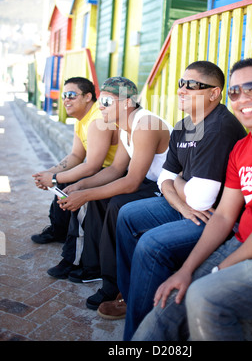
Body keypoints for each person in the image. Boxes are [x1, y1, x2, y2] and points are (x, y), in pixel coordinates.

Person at [132, 58, 252, 342]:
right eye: (235, 92)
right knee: (170, 300)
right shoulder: (241, 149)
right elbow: (222, 216)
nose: (242, 99)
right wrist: (186, 271)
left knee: (203, 294)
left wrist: (216, 270)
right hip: (243, 241)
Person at [100, 61, 246, 341]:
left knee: (151, 245)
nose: (182, 89)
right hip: (185, 207)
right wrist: (180, 200)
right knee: (127, 213)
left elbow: (200, 200)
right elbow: (163, 179)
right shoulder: (185, 125)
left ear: (214, 93)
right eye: (181, 83)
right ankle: (133, 300)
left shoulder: (219, 127)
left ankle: (142, 333)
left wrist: (177, 186)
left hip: (214, 217)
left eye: (193, 85)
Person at [48, 76, 173, 310]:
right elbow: (116, 169)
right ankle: (93, 267)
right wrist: (81, 186)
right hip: (152, 183)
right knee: (98, 197)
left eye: (106, 101)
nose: (100, 106)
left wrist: (84, 195)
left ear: (126, 103)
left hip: (171, 189)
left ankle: (114, 284)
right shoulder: (124, 127)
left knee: (116, 204)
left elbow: (131, 182)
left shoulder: (145, 124)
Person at [31, 77, 118, 245]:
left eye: (71, 95)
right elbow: (76, 155)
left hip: (115, 172)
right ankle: (58, 230)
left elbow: (92, 166)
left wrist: (55, 178)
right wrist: (51, 173)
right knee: (62, 181)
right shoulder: (81, 120)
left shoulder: (98, 119)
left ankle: (74, 247)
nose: (66, 100)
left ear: (87, 97)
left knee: (68, 184)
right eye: (64, 96)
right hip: (102, 169)